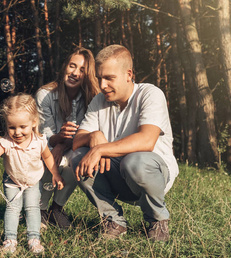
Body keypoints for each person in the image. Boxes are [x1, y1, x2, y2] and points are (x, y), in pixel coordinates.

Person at [71, 44, 179, 241]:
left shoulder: (150, 94)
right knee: (78, 157)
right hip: (116, 174)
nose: (103, 85)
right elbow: (77, 141)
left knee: (135, 162)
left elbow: (146, 140)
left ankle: (157, 221)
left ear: (129, 75)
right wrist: (92, 136)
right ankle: (113, 220)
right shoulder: (98, 101)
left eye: (109, 78)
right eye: (99, 78)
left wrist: (101, 149)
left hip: (150, 173)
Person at [0, 93, 64, 254]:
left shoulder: (39, 141)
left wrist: (55, 174)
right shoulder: (6, 142)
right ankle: (10, 240)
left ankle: (34, 239)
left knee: (32, 207)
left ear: (34, 122)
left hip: (33, 181)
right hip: (12, 181)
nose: (17, 132)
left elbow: (48, 157)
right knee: (13, 208)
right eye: (12, 127)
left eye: (23, 127)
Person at [35, 47, 100, 229]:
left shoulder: (90, 98)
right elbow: (43, 136)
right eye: (72, 66)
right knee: (48, 155)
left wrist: (60, 145)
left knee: (79, 156)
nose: (75, 73)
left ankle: (57, 209)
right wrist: (57, 140)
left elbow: (83, 136)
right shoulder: (45, 95)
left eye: (82, 70)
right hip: (44, 146)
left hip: (69, 147)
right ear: (65, 66)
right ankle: (41, 209)